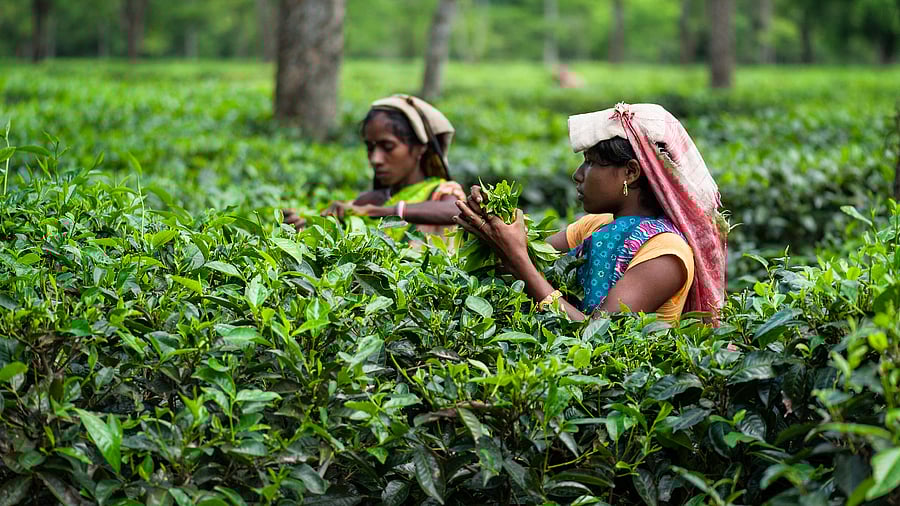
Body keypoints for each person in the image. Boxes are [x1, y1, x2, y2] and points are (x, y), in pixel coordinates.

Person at [454, 103, 727, 324]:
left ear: (631, 172)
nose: (578, 175)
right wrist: (491, 215)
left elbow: (596, 335)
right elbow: (523, 259)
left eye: (591, 163)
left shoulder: (666, 252)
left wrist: (517, 258)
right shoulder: (595, 226)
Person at [283, 94, 465, 243]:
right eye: (370, 147)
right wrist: (301, 229)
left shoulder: (442, 192)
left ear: (419, 148)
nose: (375, 159)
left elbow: (456, 211)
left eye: (388, 147)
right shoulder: (370, 200)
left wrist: (383, 212)